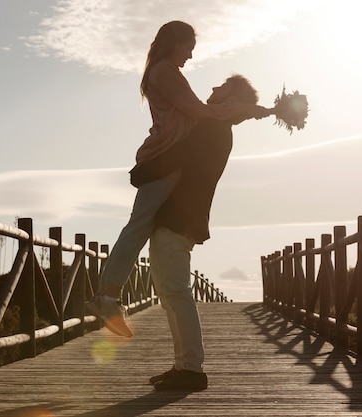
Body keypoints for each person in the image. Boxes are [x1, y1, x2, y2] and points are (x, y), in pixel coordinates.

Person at [85, 21, 268, 337]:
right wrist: (257, 109)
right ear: (174, 43)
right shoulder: (166, 72)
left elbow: (203, 115)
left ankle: (108, 296)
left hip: (165, 160)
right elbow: (199, 111)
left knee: (139, 225)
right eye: (189, 48)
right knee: (138, 225)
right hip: (164, 161)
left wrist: (252, 109)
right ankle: (107, 297)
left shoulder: (163, 72)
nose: (191, 56)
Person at [133, 75, 263, 391]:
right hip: (178, 217)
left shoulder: (213, 128)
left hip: (180, 217)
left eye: (222, 86)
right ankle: (184, 365)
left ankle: (191, 369)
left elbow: (178, 157)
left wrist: (140, 173)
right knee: (170, 292)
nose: (214, 88)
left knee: (176, 292)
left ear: (230, 98)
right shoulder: (214, 127)